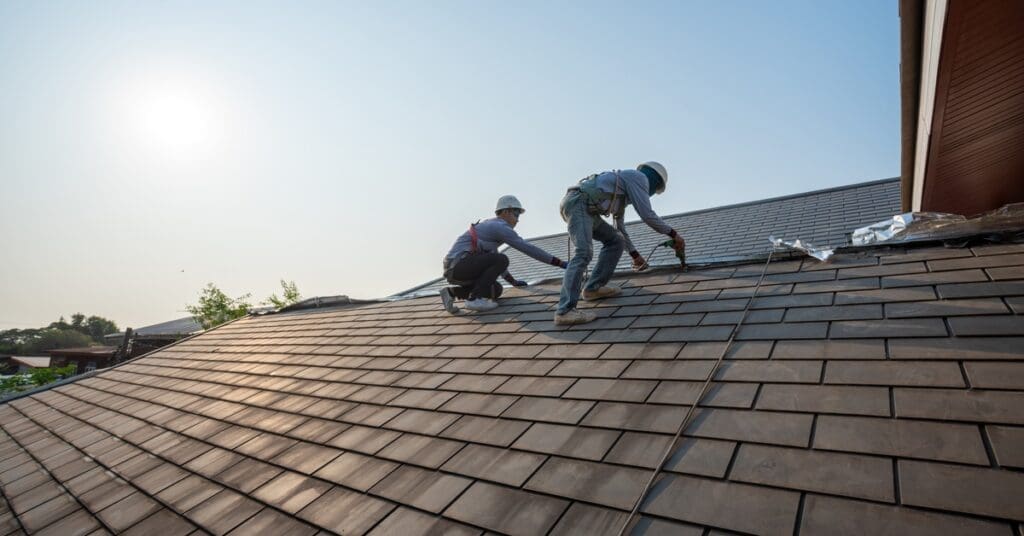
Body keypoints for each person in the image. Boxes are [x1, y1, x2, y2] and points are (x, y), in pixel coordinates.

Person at [554, 161, 684, 325]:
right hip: (579, 203)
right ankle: (564, 311)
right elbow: (647, 214)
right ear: (654, 181)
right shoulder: (639, 177)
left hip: (587, 208)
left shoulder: (621, 194)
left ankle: (592, 289)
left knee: (616, 240)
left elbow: (620, 228)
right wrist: (674, 234)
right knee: (583, 253)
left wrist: (635, 255)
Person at [441, 195, 567, 313]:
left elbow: (492, 260)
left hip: (458, 268)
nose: (518, 219)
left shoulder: (490, 227)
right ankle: (474, 300)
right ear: (506, 211)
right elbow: (528, 249)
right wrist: (560, 263)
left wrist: (513, 282)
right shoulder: (499, 227)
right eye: (516, 213)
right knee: (502, 259)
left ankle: (451, 292)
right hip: (457, 265)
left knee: (495, 290)